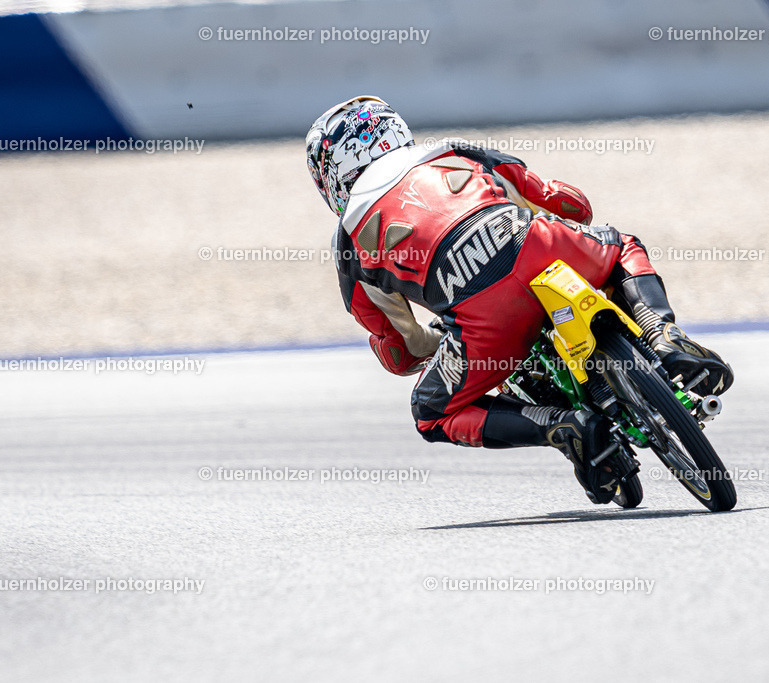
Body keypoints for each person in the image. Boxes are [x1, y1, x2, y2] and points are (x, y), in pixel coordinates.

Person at [306, 95, 733, 504]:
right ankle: (664, 335)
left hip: (484, 318)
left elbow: (402, 352)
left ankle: (563, 427)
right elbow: (570, 203)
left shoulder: (349, 242)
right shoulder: (453, 151)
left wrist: (441, 341)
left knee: (430, 413)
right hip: (539, 245)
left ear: (332, 176)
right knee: (621, 245)